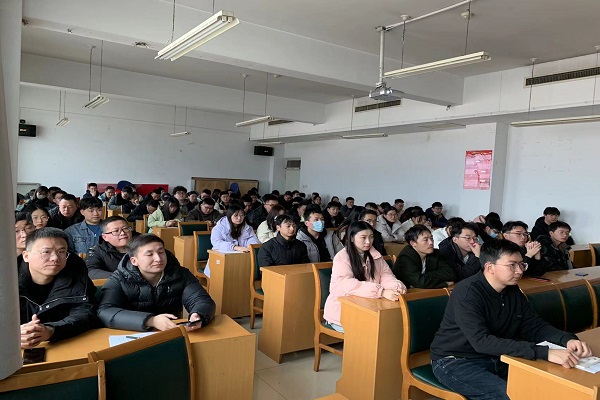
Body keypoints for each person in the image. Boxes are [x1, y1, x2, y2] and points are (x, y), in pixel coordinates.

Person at [430, 239, 591, 400]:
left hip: (497, 355)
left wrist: (566, 340)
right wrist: (545, 352)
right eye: (512, 265)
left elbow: (533, 326)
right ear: (490, 267)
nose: (519, 271)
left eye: (521, 264)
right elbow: (481, 341)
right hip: (456, 360)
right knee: (512, 395)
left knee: (549, 385)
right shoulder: (467, 293)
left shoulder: (512, 290)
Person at [98, 234, 215, 331]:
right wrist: (151, 320)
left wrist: (198, 314)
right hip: (131, 333)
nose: (158, 259)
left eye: (161, 252)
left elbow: (201, 300)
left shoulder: (181, 274)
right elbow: (105, 311)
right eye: (149, 254)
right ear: (134, 261)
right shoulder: (119, 278)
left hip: (172, 331)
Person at [19, 228, 97, 348]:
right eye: (46, 252)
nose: (55, 258)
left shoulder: (75, 271)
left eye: (61, 252)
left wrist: (51, 330)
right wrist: (12, 334)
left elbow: (85, 311)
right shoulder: (7, 282)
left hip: (63, 344)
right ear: (26, 256)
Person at [323, 221, 407, 332]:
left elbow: (386, 275)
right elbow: (348, 284)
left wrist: (395, 287)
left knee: (391, 325)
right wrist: (381, 292)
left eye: (371, 237)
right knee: (373, 330)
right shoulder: (342, 257)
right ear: (352, 238)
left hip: (369, 306)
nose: (368, 241)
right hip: (342, 311)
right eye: (363, 237)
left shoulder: (375, 255)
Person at [392, 224, 456, 288]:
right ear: (413, 243)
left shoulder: (434, 253)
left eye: (431, 238)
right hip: (405, 291)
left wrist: (424, 276)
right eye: (425, 240)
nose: (431, 242)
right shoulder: (405, 257)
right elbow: (420, 283)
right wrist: (445, 283)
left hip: (425, 290)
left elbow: (450, 274)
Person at [206, 205, 260, 277]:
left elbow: (253, 239)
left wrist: (250, 246)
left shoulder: (247, 228)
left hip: (242, 256)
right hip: (221, 257)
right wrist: (234, 247)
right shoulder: (219, 227)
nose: (239, 218)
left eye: (242, 215)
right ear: (229, 216)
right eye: (236, 215)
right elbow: (217, 243)